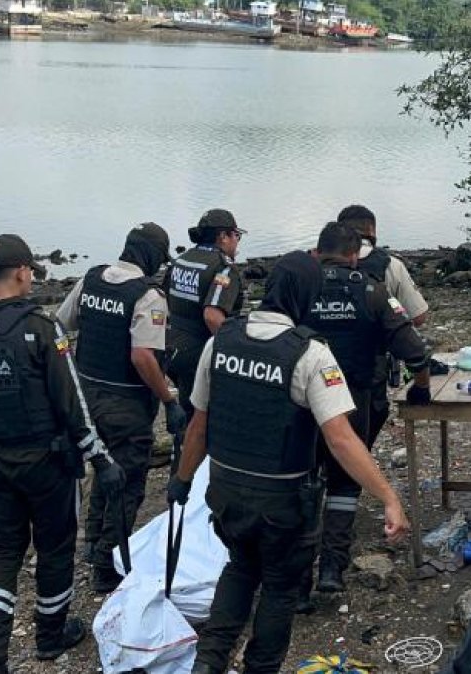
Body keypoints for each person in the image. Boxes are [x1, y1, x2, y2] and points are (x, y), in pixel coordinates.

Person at [166, 251, 411, 674]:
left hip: (226, 492)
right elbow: (340, 439)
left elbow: (199, 427)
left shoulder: (220, 341)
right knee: (279, 587)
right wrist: (388, 496)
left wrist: (182, 480)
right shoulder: (311, 354)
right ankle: (260, 667)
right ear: (306, 298)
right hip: (282, 502)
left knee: (240, 568)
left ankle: (208, 663)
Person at [0, 234, 107, 674]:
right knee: (55, 546)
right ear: (23, 272)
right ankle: (51, 635)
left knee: (3, 550)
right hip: (45, 461)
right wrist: (98, 455)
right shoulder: (41, 329)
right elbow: (71, 401)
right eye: (31, 271)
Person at [55, 222, 186, 594]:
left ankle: (92, 541)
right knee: (126, 481)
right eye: (159, 260)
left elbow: (60, 326)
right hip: (125, 404)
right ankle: (108, 564)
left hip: (84, 398)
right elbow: (143, 356)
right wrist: (168, 400)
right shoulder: (147, 297)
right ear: (149, 257)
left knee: (102, 467)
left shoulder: (91, 280)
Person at [303, 222, 432, 599]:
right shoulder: (372, 292)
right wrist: (421, 389)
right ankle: (331, 568)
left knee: (304, 480)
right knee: (345, 483)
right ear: (355, 255)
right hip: (353, 397)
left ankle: (295, 580)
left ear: (317, 252)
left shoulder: (299, 290)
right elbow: (415, 351)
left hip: (302, 400)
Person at [336, 205, 430, 449]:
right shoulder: (390, 264)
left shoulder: (318, 264)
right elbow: (419, 317)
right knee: (363, 433)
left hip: (323, 366)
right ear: (373, 231)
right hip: (371, 367)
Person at [163, 208, 247, 418]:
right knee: (205, 417)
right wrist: (236, 353)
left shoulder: (180, 261)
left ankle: (182, 446)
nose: (237, 241)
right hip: (200, 353)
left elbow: (162, 299)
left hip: (170, 348)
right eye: (236, 235)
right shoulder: (224, 268)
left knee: (186, 411)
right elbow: (212, 316)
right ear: (223, 236)